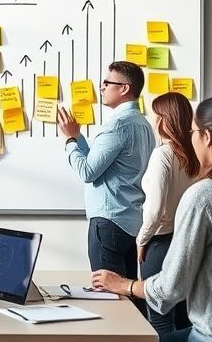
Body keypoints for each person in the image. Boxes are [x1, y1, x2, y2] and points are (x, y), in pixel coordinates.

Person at [91, 94, 212, 342]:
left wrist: (124, 285)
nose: (191, 137)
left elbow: (171, 289)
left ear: (206, 137)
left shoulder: (205, 196)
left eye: (193, 131)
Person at [56, 61, 155, 313]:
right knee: (128, 300)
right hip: (130, 222)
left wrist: (68, 140)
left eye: (107, 82)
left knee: (110, 302)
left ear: (124, 88)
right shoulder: (143, 125)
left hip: (108, 223)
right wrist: (78, 137)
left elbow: (87, 171)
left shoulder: (117, 125)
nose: (101, 87)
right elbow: (100, 164)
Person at [137, 92, 200, 334]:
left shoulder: (162, 154)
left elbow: (154, 210)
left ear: (164, 120)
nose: (153, 122)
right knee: (185, 316)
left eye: (155, 116)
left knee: (160, 318)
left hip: (161, 244)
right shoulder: (196, 154)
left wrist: (142, 240)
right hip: (188, 240)